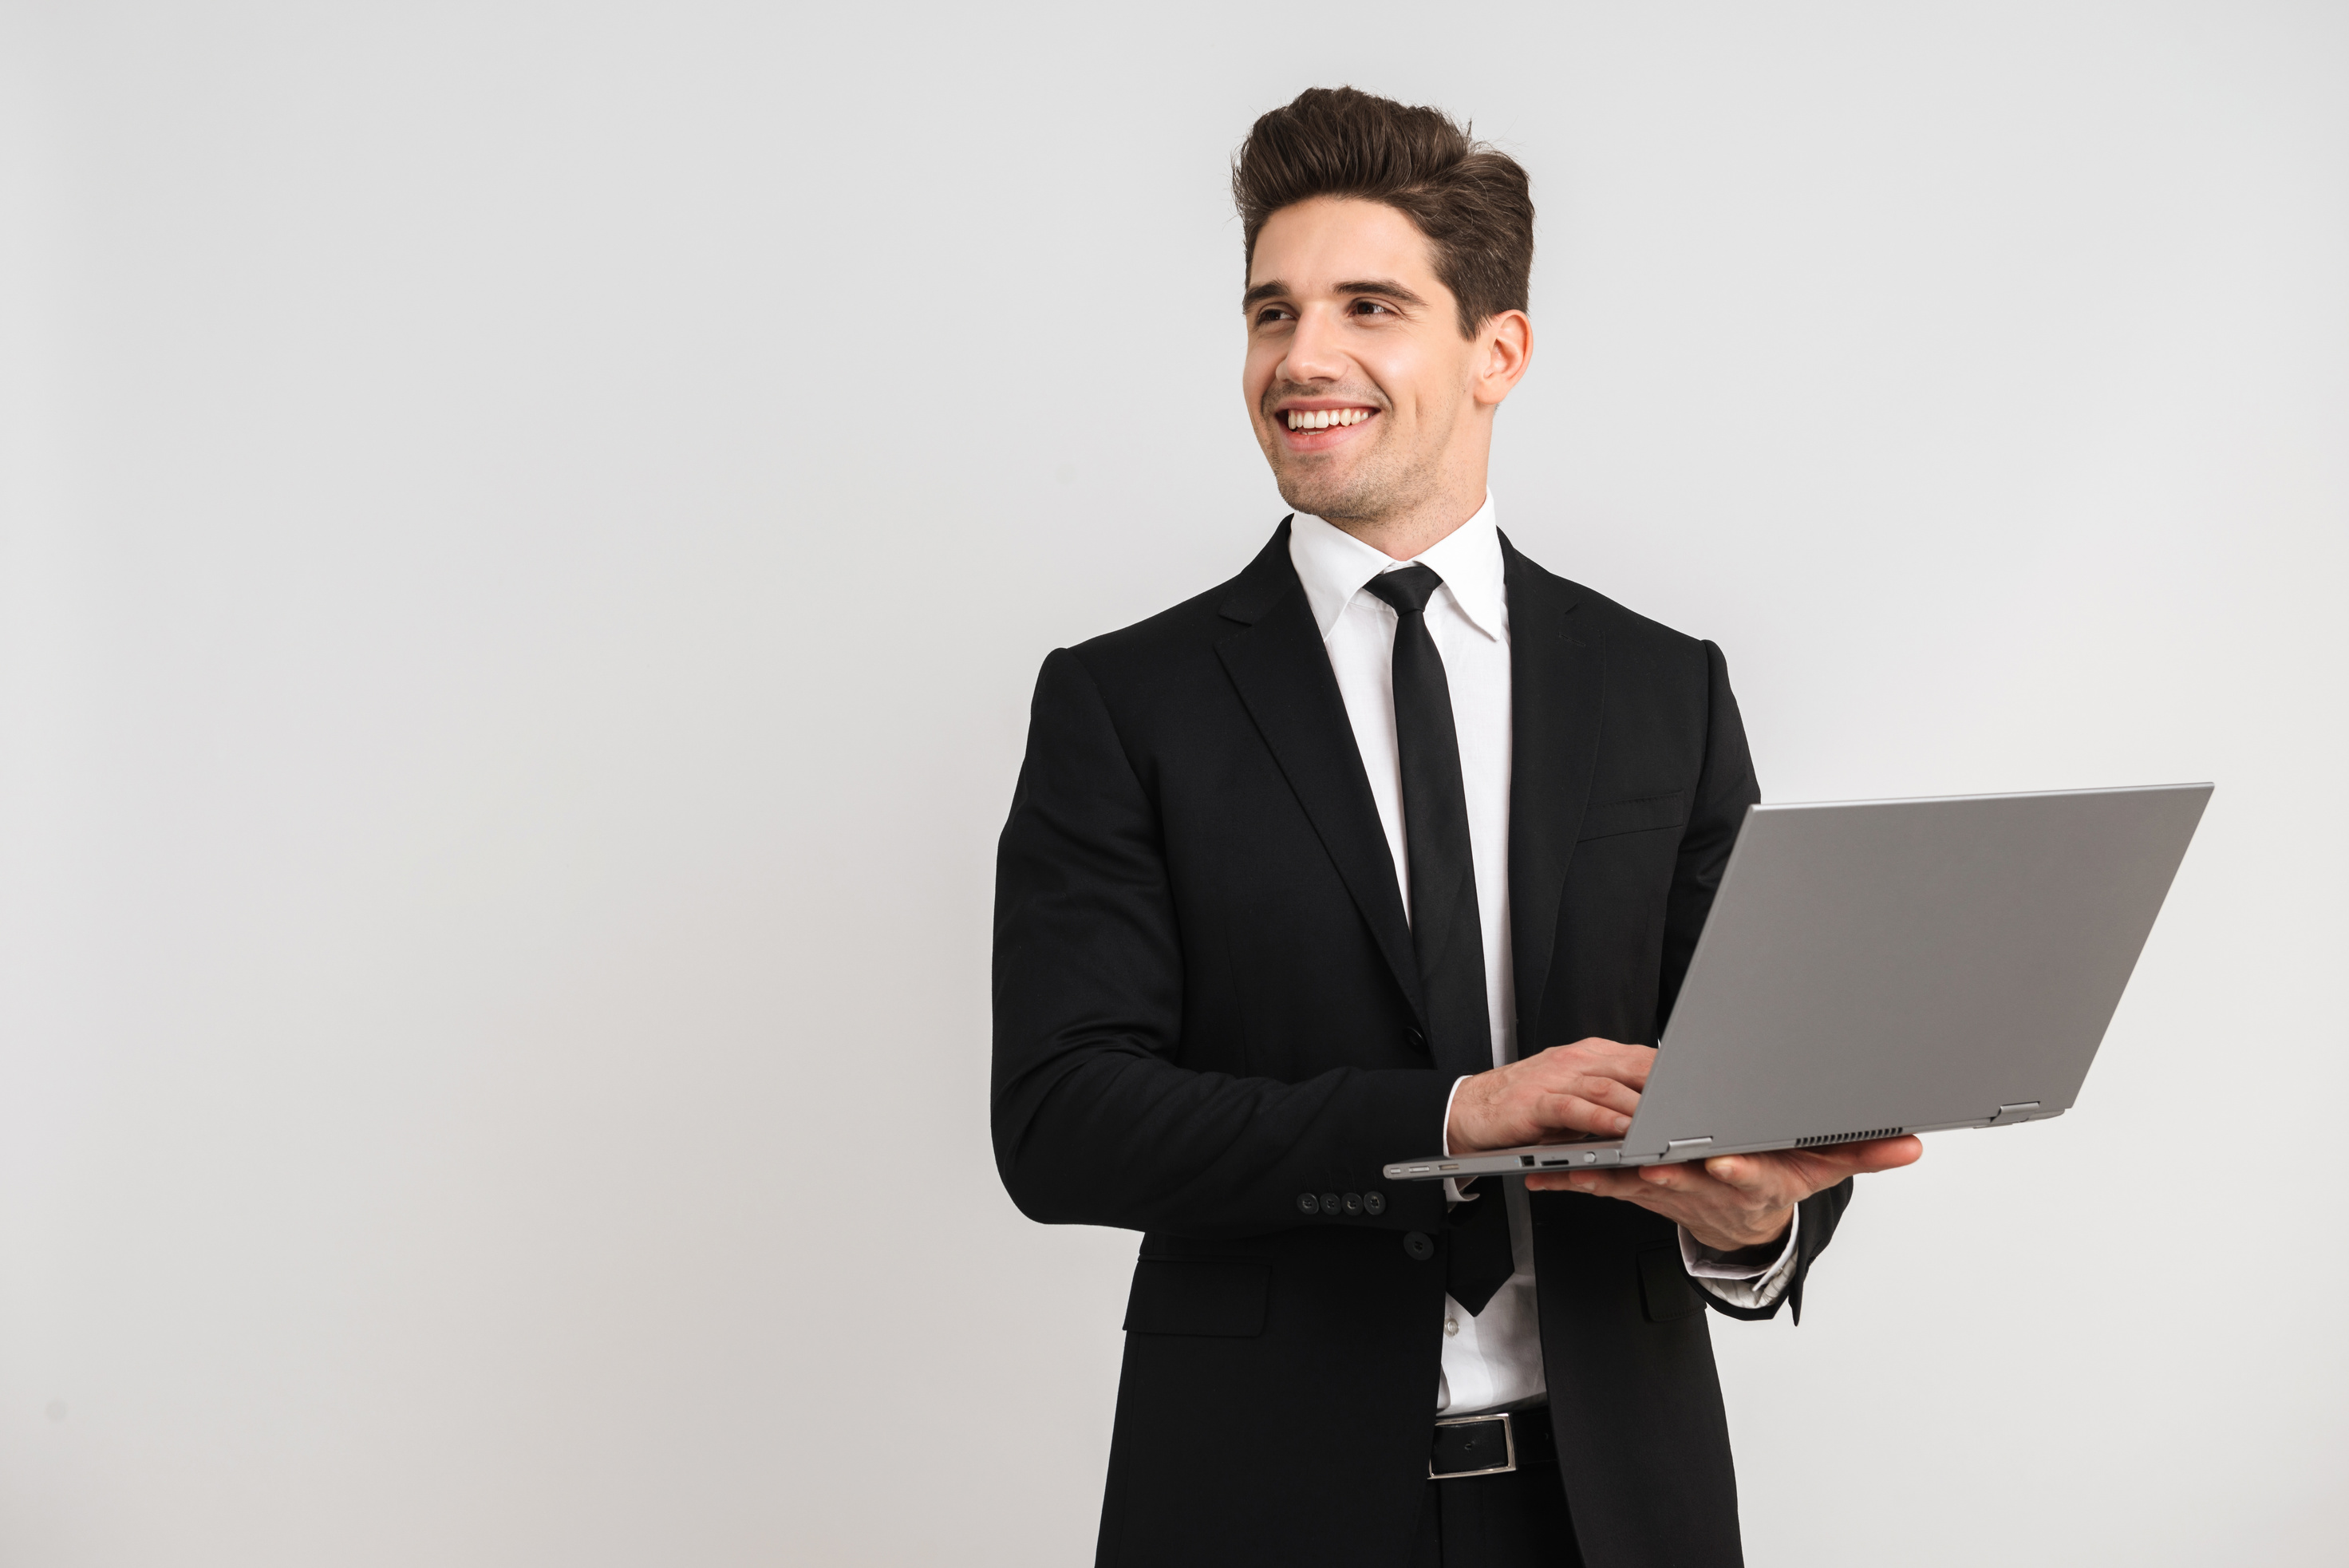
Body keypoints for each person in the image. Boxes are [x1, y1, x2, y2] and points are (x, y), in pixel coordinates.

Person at [990, 86, 1921, 1568]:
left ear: (1500, 351)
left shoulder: (1661, 690)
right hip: (1255, 1504)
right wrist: (1446, 1117)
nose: (1303, 359)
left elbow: (1738, 1079)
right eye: (1270, 311)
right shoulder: (1124, 702)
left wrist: (1745, 1225)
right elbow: (1060, 1122)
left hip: (1617, 1507)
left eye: (1370, 305)